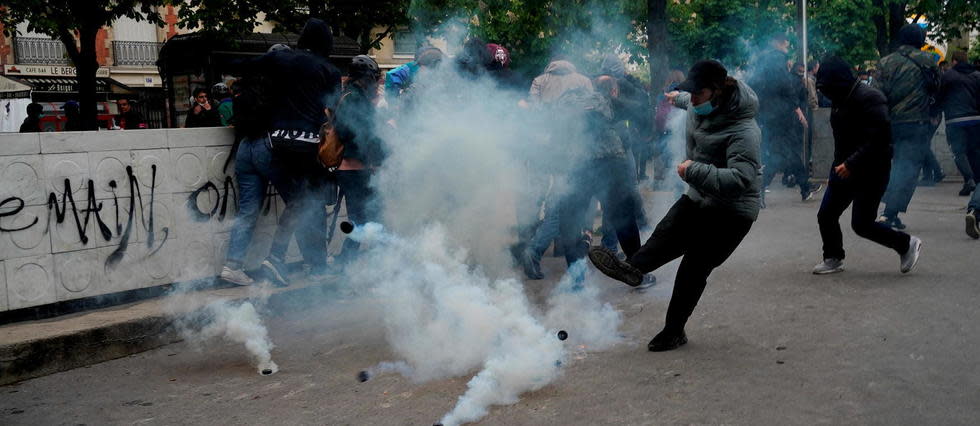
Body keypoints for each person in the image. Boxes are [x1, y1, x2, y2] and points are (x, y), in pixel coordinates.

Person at [588, 60, 761, 352]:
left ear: (717, 92)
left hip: (733, 211)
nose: (692, 99)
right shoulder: (698, 103)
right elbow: (689, 102)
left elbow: (741, 179)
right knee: (668, 231)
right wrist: (675, 98)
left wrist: (693, 171)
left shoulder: (744, 130)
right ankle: (632, 268)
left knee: (694, 266)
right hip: (700, 196)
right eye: (689, 94)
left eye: (698, 94)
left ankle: (673, 331)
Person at [811, 56, 922, 275]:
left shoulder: (870, 98)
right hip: (843, 168)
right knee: (826, 215)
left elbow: (879, 138)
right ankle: (833, 257)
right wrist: (838, 166)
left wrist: (851, 163)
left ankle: (906, 244)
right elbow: (842, 139)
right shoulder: (839, 98)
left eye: (827, 87)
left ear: (839, 81)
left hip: (872, 170)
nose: (825, 92)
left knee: (862, 224)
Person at [875, 24, 941, 230]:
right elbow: (937, 89)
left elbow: (876, 94)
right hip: (916, 122)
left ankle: (886, 211)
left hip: (889, 123)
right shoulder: (929, 61)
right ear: (920, 40)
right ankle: (889, 213)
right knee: (908, 168)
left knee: (890, 166)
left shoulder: (885, 62)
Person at [751, 33, 818, 204]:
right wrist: (796, 108)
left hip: (769, 114)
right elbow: (784, 85)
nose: (787, 44)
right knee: (779, 154)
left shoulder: (763, 60)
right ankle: (759, 189)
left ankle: (804, 187)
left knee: (783, 152)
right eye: (785, 41)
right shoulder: (778, 58)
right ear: (779, 42)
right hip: (781, 114)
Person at [333, 55, 387, 264]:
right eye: (373, 78)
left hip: (349, 167)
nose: (375, 82)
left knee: (364, 217)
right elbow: (363, 134)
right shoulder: (356, 99)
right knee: (366, 218)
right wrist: (378, 158)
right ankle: (345, 263)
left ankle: (351, 263)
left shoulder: (345, 95)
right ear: (365, 78)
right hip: (355, 167)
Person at [934, 50, 980, 238]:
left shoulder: (948, 76)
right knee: (977, 157)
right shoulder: (977, 75)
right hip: (976, 121)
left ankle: (968, 179)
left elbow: (939, 97)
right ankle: (975, 198)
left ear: (953, 61)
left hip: (955, 121)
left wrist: (935, 113)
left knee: (958, 152)